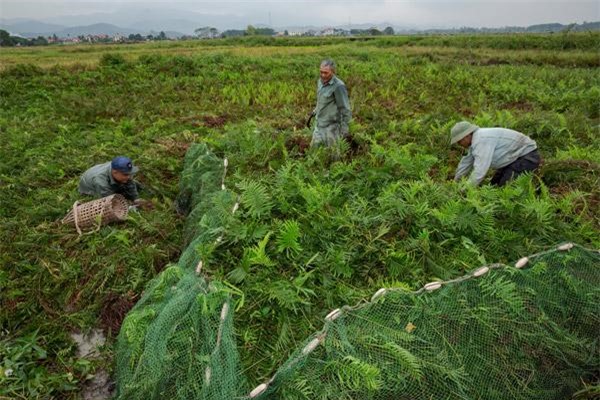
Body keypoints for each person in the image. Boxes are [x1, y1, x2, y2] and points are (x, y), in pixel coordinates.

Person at [450, 121, 541, 186]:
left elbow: (480, 170)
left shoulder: (481, 140)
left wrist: (465, 190)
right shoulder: (474, 142)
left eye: (459, 141)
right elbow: (465, 163)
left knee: (505, 189)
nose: (459, 144)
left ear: (466, 136)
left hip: (526, 157)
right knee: (493, 186)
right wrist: (456, 182)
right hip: (513, 160)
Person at [309, 59, 352, 147]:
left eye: (326, 73)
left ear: (333, 72)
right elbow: (320, 100)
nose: (323, 75)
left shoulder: (338, 86)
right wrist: (315, 111)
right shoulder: (320, 82)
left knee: (333, 155)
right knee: (313, 151)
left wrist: (344, 130)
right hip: (319, 124)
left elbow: (345, 109)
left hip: (332, 127)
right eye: (321, 72)